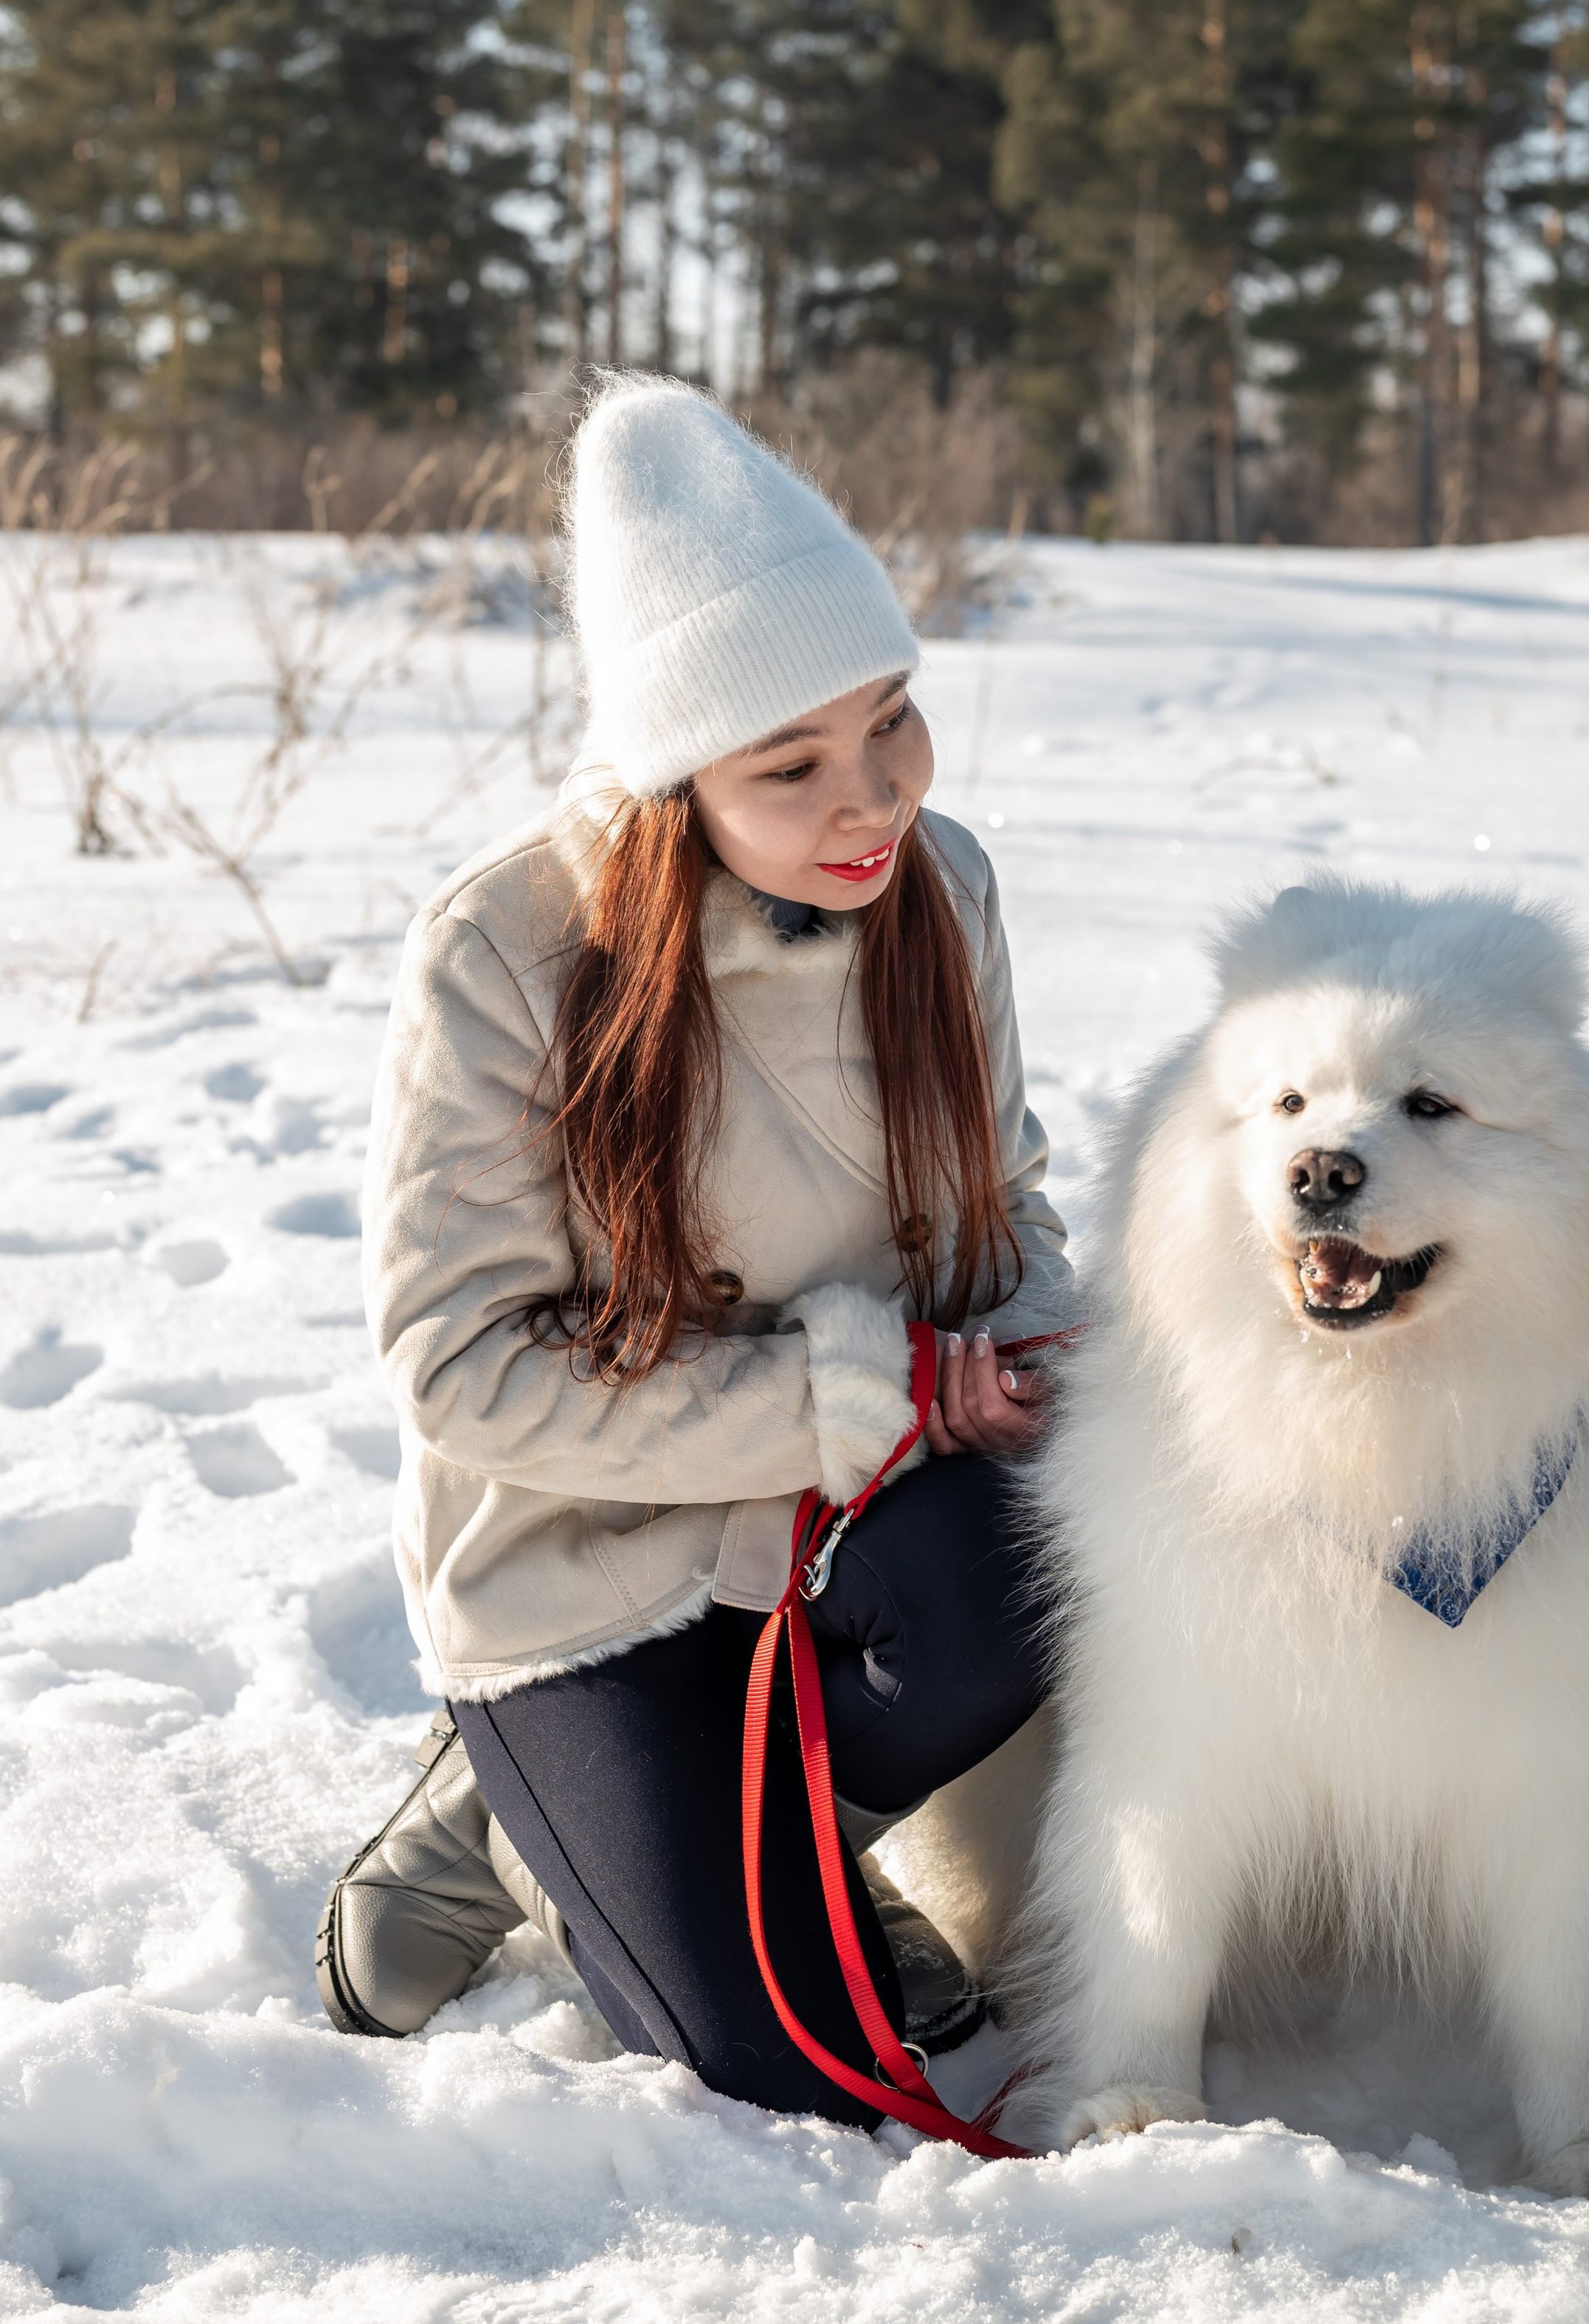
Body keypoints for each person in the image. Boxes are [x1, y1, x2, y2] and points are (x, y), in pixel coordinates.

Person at [314, 375, 1073, 2129]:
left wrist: (1031, 1346)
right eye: (789, 765)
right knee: (761, 2068)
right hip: (587, 1561)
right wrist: (836, 1398)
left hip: (852, 1519)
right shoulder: (507, 949)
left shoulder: (939, 893)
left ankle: (723, 1840)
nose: (869, 796)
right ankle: (513, 1809)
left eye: (890, 721)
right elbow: (455, 1360)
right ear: (674, 777)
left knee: (1035, 1566)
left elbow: (1006, 1205)